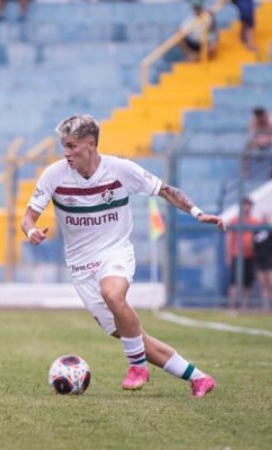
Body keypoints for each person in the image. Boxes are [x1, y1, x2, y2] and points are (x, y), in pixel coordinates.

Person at [21, 114, 224, 398]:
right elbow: (28, 218)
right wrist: (31, 233)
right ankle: (199, 378)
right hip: (81, 268)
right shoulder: (54, 174)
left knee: (113, 294)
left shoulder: (120, 169)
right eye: (63, 145)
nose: (65, 152)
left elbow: (166, 190)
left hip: (115, 251)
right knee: (134, 338)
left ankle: (137, 367)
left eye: (71, 145)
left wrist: (198, 212)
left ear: (90, 144)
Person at [226, 197, 262, 310]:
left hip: (250, 255)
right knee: (234, 282)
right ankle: (231, 306)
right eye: (246, 205)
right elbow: (229, 238)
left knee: (248, 282)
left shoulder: (255, 221)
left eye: (249, 205)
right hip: (237, 254)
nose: (248, 208)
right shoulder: (235, 220)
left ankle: (245, 306)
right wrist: (228, 256)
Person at [253, 213, 272, 311]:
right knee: (263, 285)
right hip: (259, 260)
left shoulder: (270, 231)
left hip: (270, 260)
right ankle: (266, 307)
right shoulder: (256, 231)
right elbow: (254, 245)